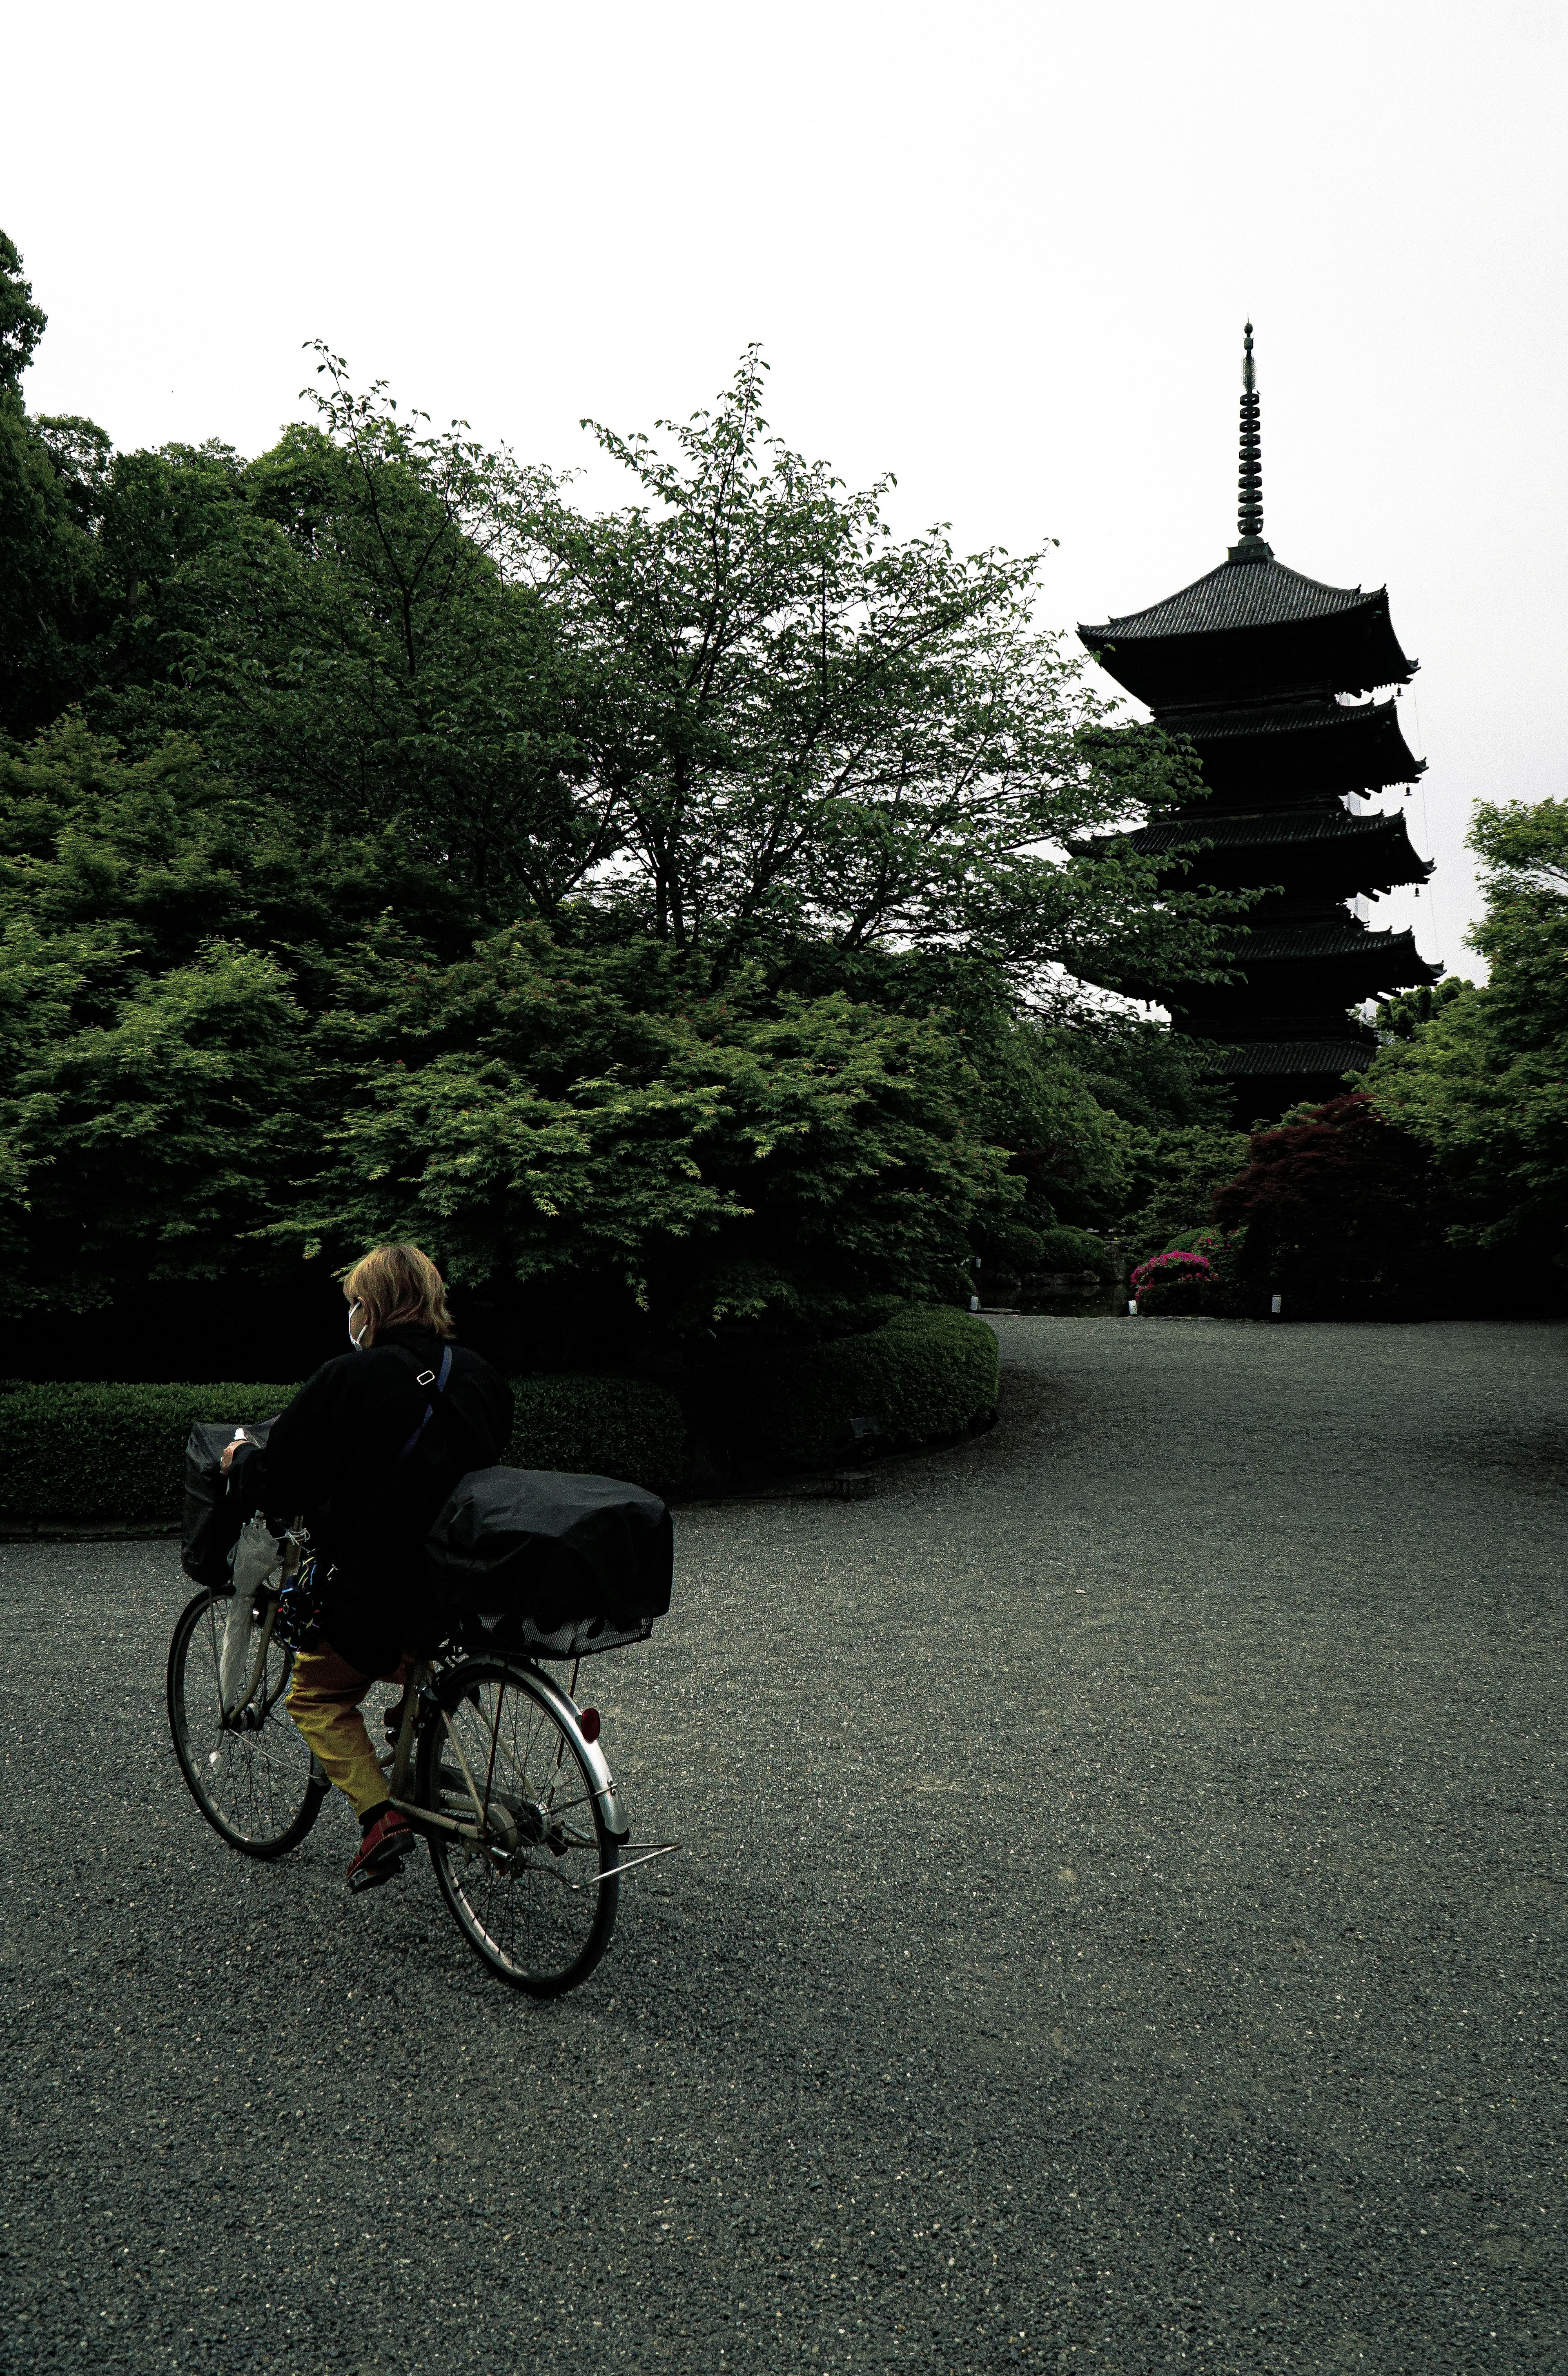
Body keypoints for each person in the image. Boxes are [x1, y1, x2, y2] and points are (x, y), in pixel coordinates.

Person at [223, 1244, 512, 1892]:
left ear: (373, 1308)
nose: (352, 1313)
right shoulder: (478, 1374)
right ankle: (418, 1737)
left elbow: (283, 1476)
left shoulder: (348, 1379)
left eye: (356, 1302)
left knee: (316, 1693)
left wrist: (241, 1460)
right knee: (396, 1655)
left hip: (379, 1583)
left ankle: (380, 1819)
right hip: (459, 1581)